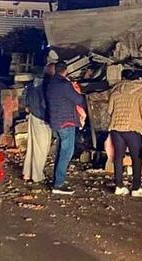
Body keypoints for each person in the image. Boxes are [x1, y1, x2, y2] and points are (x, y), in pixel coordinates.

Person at [108, 72, 142, 197]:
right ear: (136, 79)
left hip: (116, 128)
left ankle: (119, 186)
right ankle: (136, 188)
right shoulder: (140, 92)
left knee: (118, 157)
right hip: (133, 128)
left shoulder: (115, 90)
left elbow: (109, 110)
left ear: (122, 78)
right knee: (136, 158)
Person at [45, 61, 85, 195]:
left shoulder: (51, 83)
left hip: (56, 121)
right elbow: (78, 100)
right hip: (66, 121)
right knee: (66, 152)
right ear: (65, 70)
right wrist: (76, 89)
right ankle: (58, 184)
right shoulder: (64, 84)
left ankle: (57, 180)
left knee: (61, 151)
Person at [22, 64, 53, 184]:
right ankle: (37, 175)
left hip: (32, 115)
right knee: (42, 147)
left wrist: (28, 106)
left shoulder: (31, 84)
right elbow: (45, 103)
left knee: (32, 145)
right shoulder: (46, 85)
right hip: (41, 117)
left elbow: (25, 98)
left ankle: (27, 172)